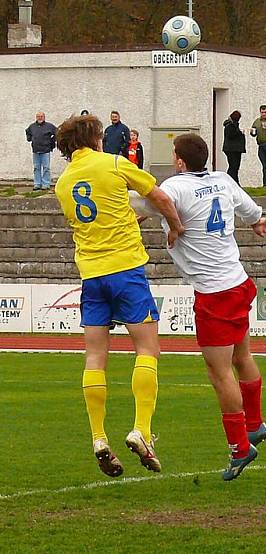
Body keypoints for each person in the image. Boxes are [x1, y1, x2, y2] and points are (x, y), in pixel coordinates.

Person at [132, 133, 266, 481]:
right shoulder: (222, 180)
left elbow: (144, 203)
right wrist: (256, 221)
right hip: (238, 283)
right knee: (242, 357)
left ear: (180, 161)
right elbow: (250, 209)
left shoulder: (176, 187)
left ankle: (240, 447)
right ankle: (254, 425)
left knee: (220, 373)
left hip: (214, 294)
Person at [53, 114, 184, 477]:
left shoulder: (62, 183)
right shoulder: (113, 163)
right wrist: (175, 226)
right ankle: (141, 429)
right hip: (125, 270)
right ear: (95, 138)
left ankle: (98, 436)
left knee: (95, 356)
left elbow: (99, 217)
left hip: (92, 277)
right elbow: (158, 195)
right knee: (147, 349)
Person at [25, 111, 56, 190]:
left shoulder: (49, 126)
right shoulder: (32, 126)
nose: (40, 118)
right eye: (38, 116)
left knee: (46, 168)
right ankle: (37, 184)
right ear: (36, 117)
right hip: (36, 151)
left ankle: (45, 184)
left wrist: (51, 141)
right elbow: (27, 132)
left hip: (45, 150)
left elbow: (57, 132)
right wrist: (30, 138)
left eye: (41, 116)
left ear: (44, 117)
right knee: (36, 168)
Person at [223, 110, 246, 185]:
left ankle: (234, 183)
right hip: (233, 149)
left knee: (233, 166)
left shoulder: (229, 124)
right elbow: (231, 135)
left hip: (231, 149)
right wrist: (240, 133)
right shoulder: (231, 125)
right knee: (234, 167)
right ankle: (231, 182)